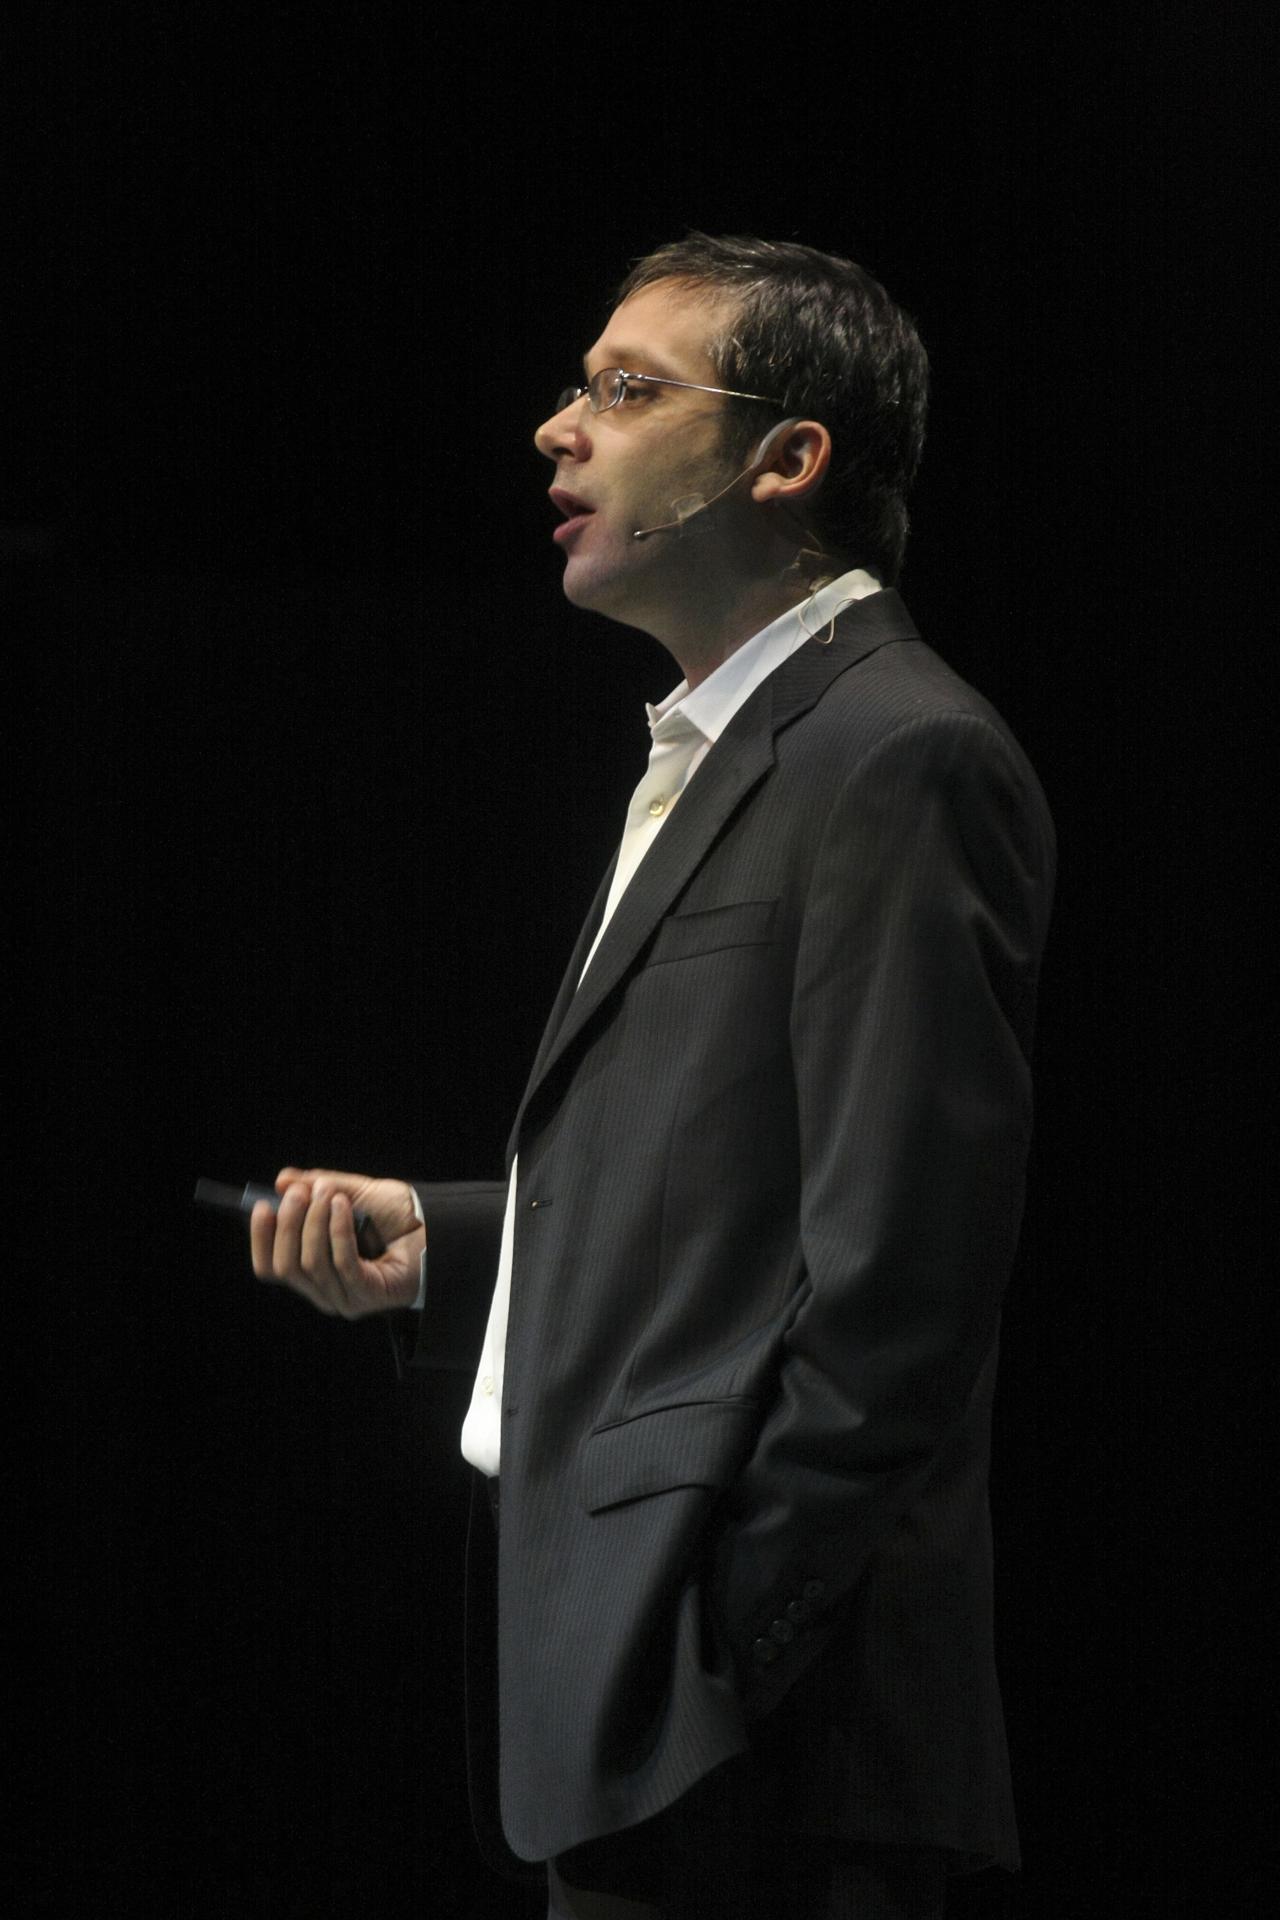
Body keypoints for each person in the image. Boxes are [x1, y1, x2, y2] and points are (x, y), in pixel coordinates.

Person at [249, 234, 1055, 1919]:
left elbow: (901, 1274)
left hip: (772, 1749)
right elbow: (731, 1179)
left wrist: (727, 1641)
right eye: (577, 387)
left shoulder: (897, 753)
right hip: (649, 1719)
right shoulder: (723, 749)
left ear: (787, 459)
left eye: (626, 390)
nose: (559, 427)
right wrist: (464, 1241)